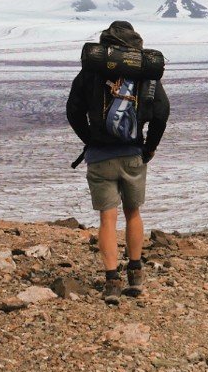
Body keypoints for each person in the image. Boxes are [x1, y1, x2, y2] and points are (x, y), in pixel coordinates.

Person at [65, 18, 171, 303]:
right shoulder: (144, 72)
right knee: (133, 213)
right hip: (133, 154)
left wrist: (89, 139)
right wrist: (149, 147)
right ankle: (135, 274)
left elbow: (73, 111)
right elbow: (161, 113)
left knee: (107, 219)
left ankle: (112, 281)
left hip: (100, 157)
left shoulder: (90, 70)